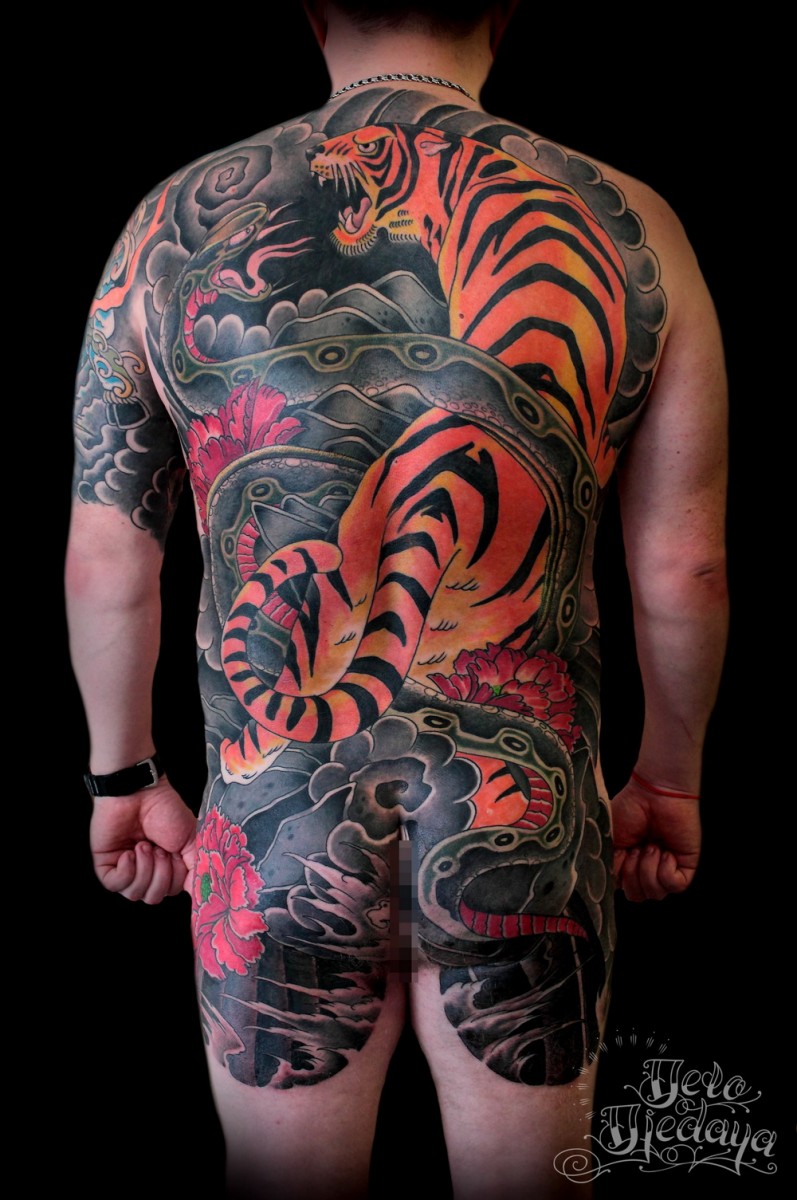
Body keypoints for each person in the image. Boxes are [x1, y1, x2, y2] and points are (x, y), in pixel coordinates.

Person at [66, 2, 728, 1195]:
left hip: (274, 832)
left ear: (311, 3)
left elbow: (108, 562)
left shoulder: (164, 225)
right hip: (526, 828)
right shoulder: (632, 226)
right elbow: (684, 570)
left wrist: (123, 779)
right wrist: (667, 780)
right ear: (507, 3)